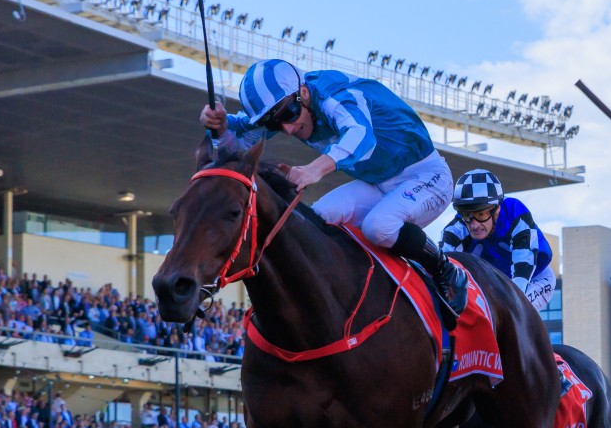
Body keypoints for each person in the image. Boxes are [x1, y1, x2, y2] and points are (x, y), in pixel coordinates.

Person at [199, 59, 466, 322]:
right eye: (275, 124)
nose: (288, 129)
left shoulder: (333, 94)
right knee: (317, 219)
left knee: (378, 226)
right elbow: (239, 136)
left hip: (428, 176)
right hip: (377, 184)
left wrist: (312, 170)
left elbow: (361, 134)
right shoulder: (288, 100)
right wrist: (219, 126)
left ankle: (445, 269)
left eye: (289, 115)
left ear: (303, 92)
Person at [440, 170, 555, 312]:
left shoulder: (515, 213)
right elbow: (441, 266)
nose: (474, 225)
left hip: (534, 278)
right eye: (467, 215)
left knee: (512, 312)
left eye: (481, 214)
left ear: (497, 210)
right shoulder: (456, 229)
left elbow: (522, 272)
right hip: (495, 284)